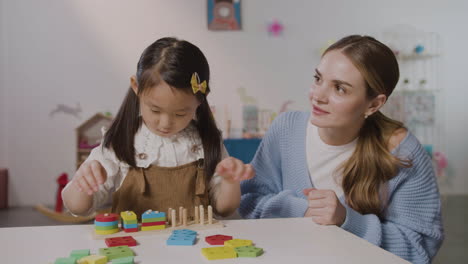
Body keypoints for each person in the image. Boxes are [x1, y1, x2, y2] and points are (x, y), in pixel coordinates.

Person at [239, 35, 443, 263]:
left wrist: (347, 220)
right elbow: (248, 201)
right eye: (318, 79)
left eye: (340, 89)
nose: (317, 96)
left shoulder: (402, 152)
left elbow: (419, 248)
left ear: (374, 104)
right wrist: (300, 209)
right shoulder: (286, 129)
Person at [62, 37, 254, 219]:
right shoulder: (121, 141)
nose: (165, 123)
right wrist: (82, 183)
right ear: (136, 87)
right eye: (154, 110)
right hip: (135, 250)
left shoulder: (207, 141)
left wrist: (230, 182)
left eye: (180, 113)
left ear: (199, 101)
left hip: (194, 247)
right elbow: (77, 208)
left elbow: (225, 209)